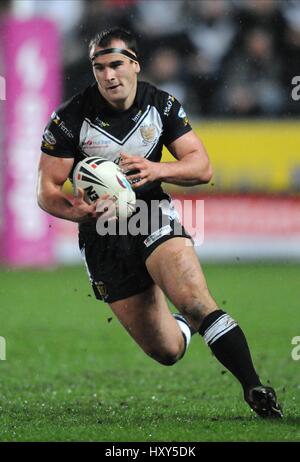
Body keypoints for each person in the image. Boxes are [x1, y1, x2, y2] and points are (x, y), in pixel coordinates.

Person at [37, 27, 282, 418]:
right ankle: (184, 322)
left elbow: (201, 167)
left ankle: (255, 387)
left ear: (135, 64)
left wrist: (154, 169)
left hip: (151, 216)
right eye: (99, 68)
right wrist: (77, 211)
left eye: (116, 65)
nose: (108, 76)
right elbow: (47, 190)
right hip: (103, 234)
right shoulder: (70, 118)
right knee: (167, 351)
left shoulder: (161, 105)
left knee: (198, 302)